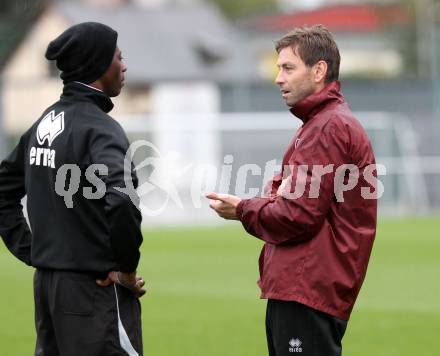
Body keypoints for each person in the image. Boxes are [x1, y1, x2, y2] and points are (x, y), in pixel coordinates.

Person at [207, 25, 377, 356]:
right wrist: (271, 199)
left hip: (308, 286)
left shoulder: (327, 127)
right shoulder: (319, 124)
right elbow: (283, 195)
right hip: (307, 286)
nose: (278, 78)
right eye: (278, 68)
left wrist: (242, 209)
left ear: (319, 71)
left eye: (288, 68)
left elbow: (297, 213)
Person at [0, 22, 145, 356]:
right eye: (118, 58)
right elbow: (122, 199)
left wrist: (34, 251)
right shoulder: (101, 129)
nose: (123, 66)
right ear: (98, 66)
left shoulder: (43, 124)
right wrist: (125, 269)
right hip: (93, 290)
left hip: (49, 289)